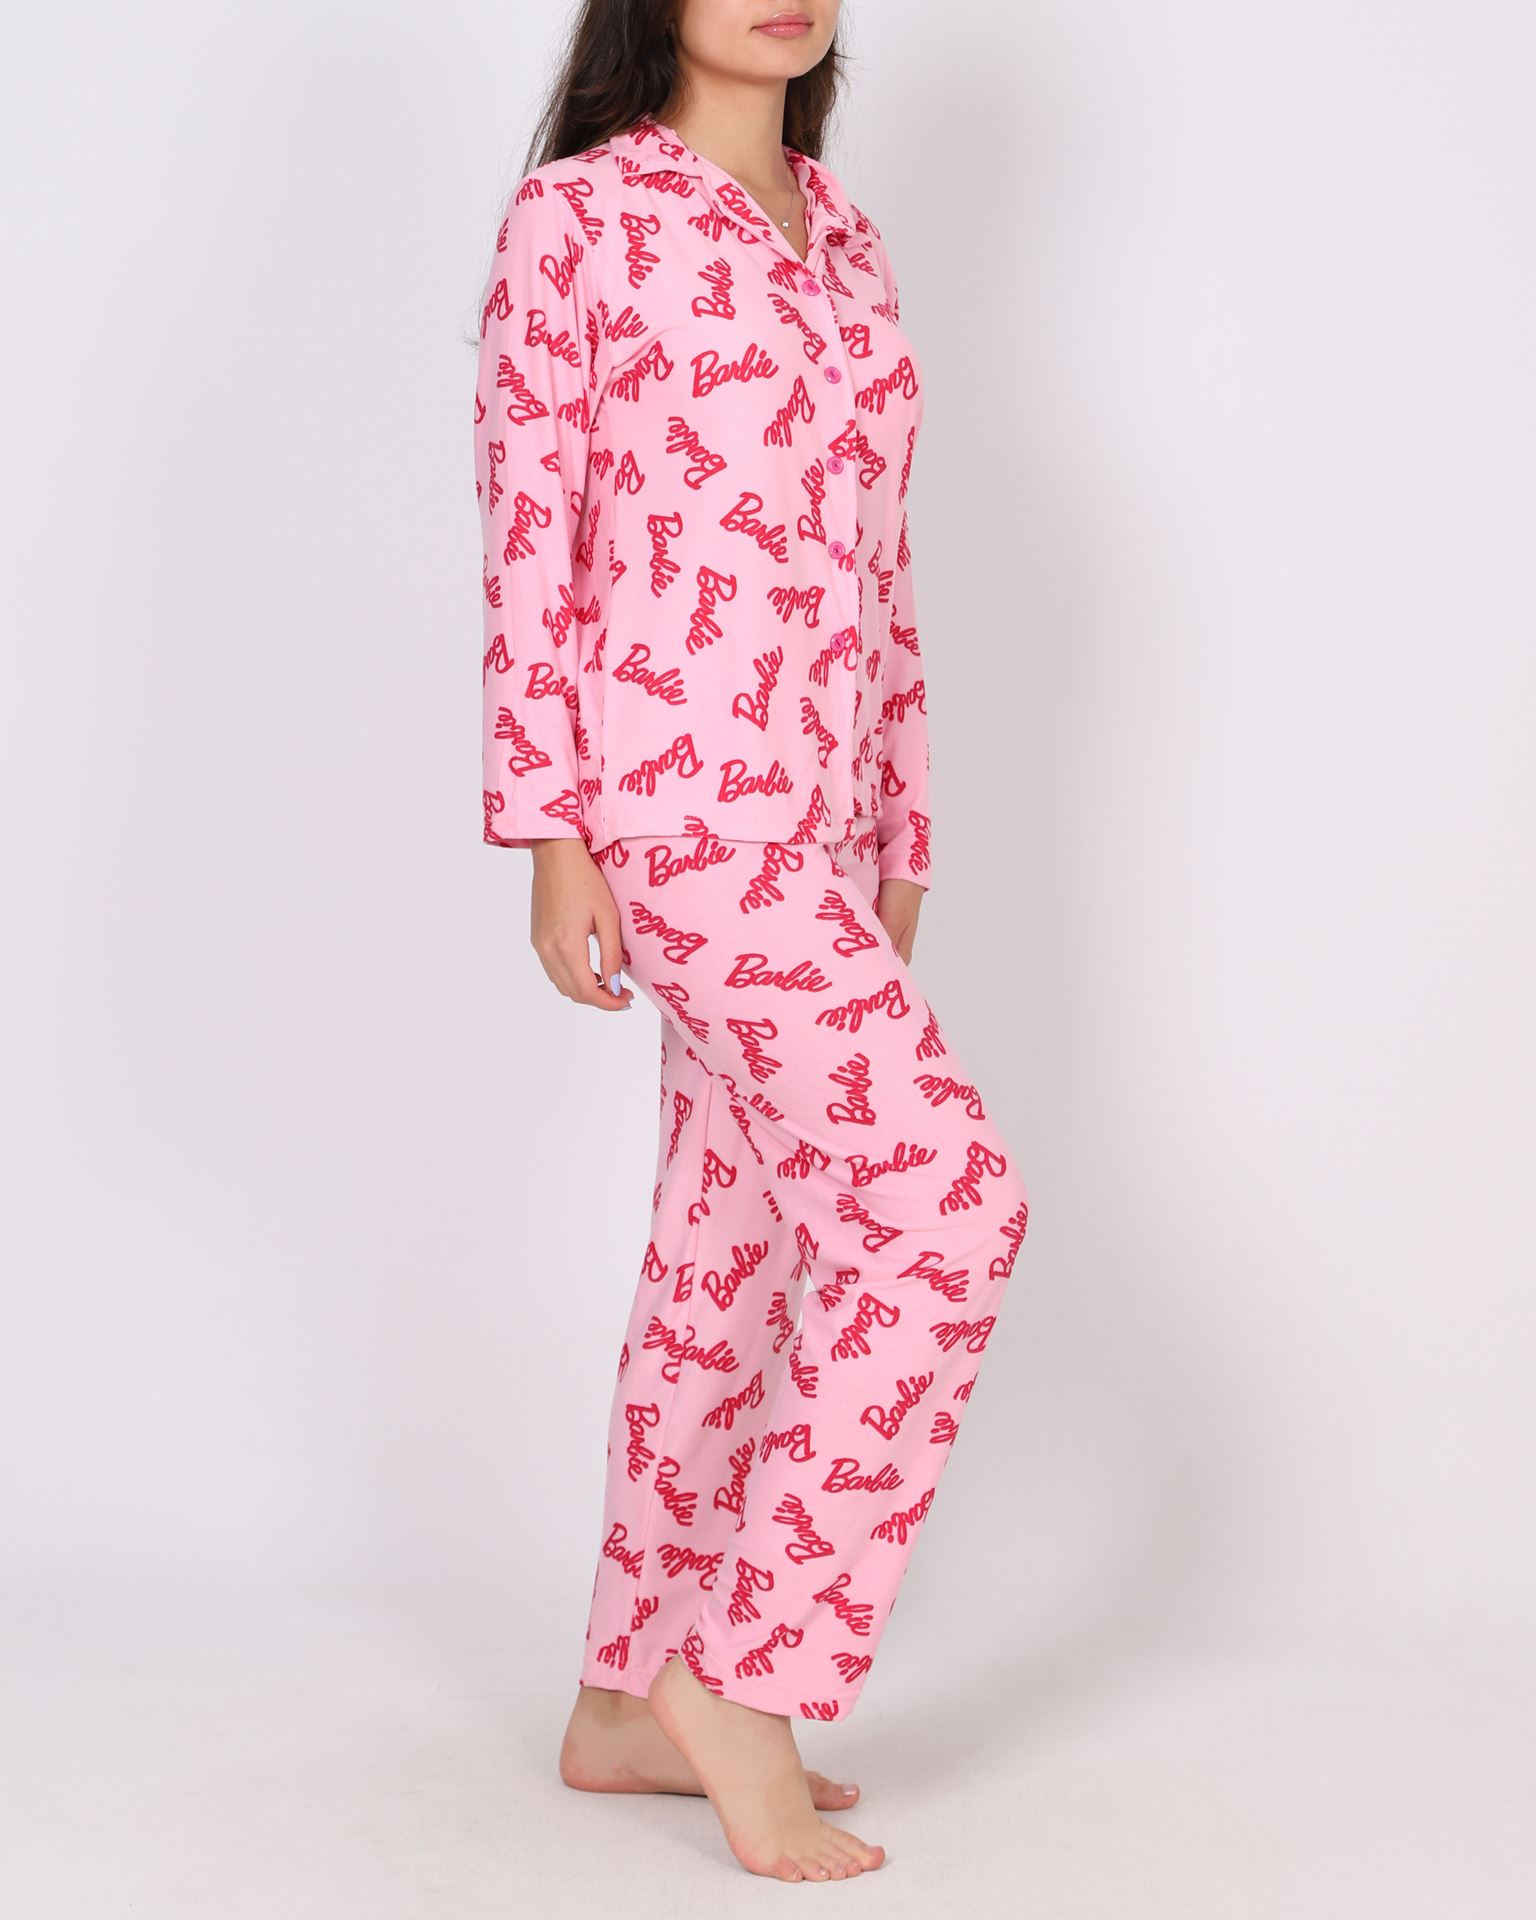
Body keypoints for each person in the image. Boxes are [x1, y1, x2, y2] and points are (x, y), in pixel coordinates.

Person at [472, 0, 1031, 1884]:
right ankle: (747, 1673)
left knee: (733, 1251)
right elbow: (531, 538)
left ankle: (623, 1697)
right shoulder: (581, 218)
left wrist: (904, 821)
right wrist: (551, 831)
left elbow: (882, 558)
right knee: (946, 1211)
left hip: (829, 817)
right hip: (681, 807)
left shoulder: (842, 230)